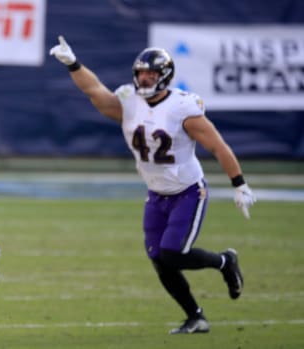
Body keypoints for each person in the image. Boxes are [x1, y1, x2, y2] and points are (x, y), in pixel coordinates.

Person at [50, 36, 256, 334]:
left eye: (152, 74)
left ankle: (225, 261)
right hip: (156, 193)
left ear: (165, 77)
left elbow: (218, 146)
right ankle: (196, 317)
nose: (145, 78)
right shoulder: (129, 101)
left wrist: (239, 184)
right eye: (141, 73)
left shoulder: (182, 106)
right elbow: (94, 91)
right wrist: (73, 64)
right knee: (159, 259)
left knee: (172, 253)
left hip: (188, 191)